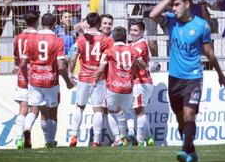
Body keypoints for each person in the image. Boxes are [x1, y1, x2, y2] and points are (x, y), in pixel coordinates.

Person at [149, 0, 225, 162]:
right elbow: (153, 14)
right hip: (174, 78)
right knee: (180, 121)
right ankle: (191, 150)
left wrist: (220, 74)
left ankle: (184, 151)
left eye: (177, 4)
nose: (174, 8)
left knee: (189, 114)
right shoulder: (171, 21)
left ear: (187, 4)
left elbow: (210, 53)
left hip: (193, 77)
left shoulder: (201, 26)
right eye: (172, 5)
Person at [21, 13, 74, 148]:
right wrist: (68, 82)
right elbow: (61, 67)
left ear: (41, 23)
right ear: (55, 24)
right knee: (52, 113)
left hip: (35, 80)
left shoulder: (32, 40)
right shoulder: (57, 40)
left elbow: (22, 64)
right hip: (51, 81)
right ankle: (50, 142)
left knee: (34, 109)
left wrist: (28, 80)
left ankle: (27, 129)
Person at [94, 26, 146, 147]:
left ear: (113, 37)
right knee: (128, 111)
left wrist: (95, 81)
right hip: (128, 86)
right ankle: (131, 131)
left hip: (113, 87)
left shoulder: (109, 51)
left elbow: (101, 69)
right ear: (125, 37)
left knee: (111, 111)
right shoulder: (133, 50)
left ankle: (117, 138)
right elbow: (143, 65)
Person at [68, 12, 113, 148]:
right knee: (98, 110)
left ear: (88, 23)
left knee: (79, 106)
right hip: (99, 78)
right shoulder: (107, 40)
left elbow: (73, 58)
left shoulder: (81, 38)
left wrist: (70, 73)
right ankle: (96, 141)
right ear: (99, 24)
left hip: (83, 77)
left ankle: (74, 135)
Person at [12, 10, 40, 149]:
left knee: (22, 108)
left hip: (22, 73)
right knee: (35, 107)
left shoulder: (18, 37)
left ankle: (18, 138)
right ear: (37, 21)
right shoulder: (39, 37)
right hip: (36, 72)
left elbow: (16, 58)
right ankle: (27, 128)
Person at [129, 21, 155, 146]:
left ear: (142, 32)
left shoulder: (141, 44)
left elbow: (139, 61)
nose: (132, 33)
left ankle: (139, 141)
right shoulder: (135, 44)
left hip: (141, 82)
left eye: (135, 30)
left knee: (139, 112)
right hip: (142, 82)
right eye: (131, 30)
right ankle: (149, 137)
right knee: (140, 110)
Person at [138, 0, 171, 72]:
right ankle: (156, 62)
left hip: (161, 7)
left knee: (170, 35)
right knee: (152, 36)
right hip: (149, 7)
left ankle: (169, 62)